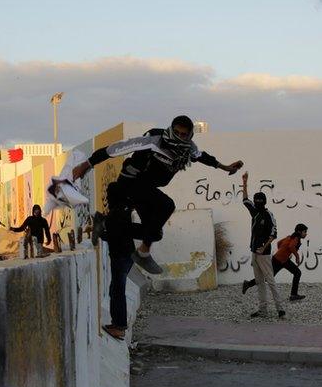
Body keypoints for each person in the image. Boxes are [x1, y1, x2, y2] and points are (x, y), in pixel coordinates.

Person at [72, 115, 243, 274]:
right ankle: (142, 253)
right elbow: (114, 149)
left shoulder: (188, 149)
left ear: (189, 135)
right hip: (131, 182)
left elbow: (204, 157)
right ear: (171, 129)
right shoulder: (154, 140)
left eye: (183, 134)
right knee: (166, 205)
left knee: (154, 232)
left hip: (146, 188)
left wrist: (226, 167)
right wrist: (86, 165)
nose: (179, 137)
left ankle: (105, 226)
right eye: (176, 132)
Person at [101, 182, 145, 340]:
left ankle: (119, 327)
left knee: (117, 291)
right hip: (126, 255)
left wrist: (100, 233)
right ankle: (117, 324)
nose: (107, 197)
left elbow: (114, 235)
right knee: (116, 290)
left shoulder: (116, 213)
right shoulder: (124, 209)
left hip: (121, 256)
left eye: (109, 194)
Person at [241, 172, 284, 319]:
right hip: (254, 252)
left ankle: (280, 309)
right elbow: (245, 200)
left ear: (264, 202)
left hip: (264, 254)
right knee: (259, 282)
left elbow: (274, 233)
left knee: (270, 280)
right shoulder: (254, 212)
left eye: (259, 201)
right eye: (256, 201)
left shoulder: (268, 215)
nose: (256, 203)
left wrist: (264, 247)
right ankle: (263, 310)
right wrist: (245, 183)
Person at [242, 223, 308, 301]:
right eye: (305, 232)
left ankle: (293, 295)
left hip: (281, 260)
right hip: (279, 260)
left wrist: (283, 252)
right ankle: (248, 284)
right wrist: (297, 256)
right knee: (269, 277)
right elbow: (291, 246)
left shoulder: (289, 237)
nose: (306, 234)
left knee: (296, 273)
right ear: (299, 232)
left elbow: (279, 243)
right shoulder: (296, 238)